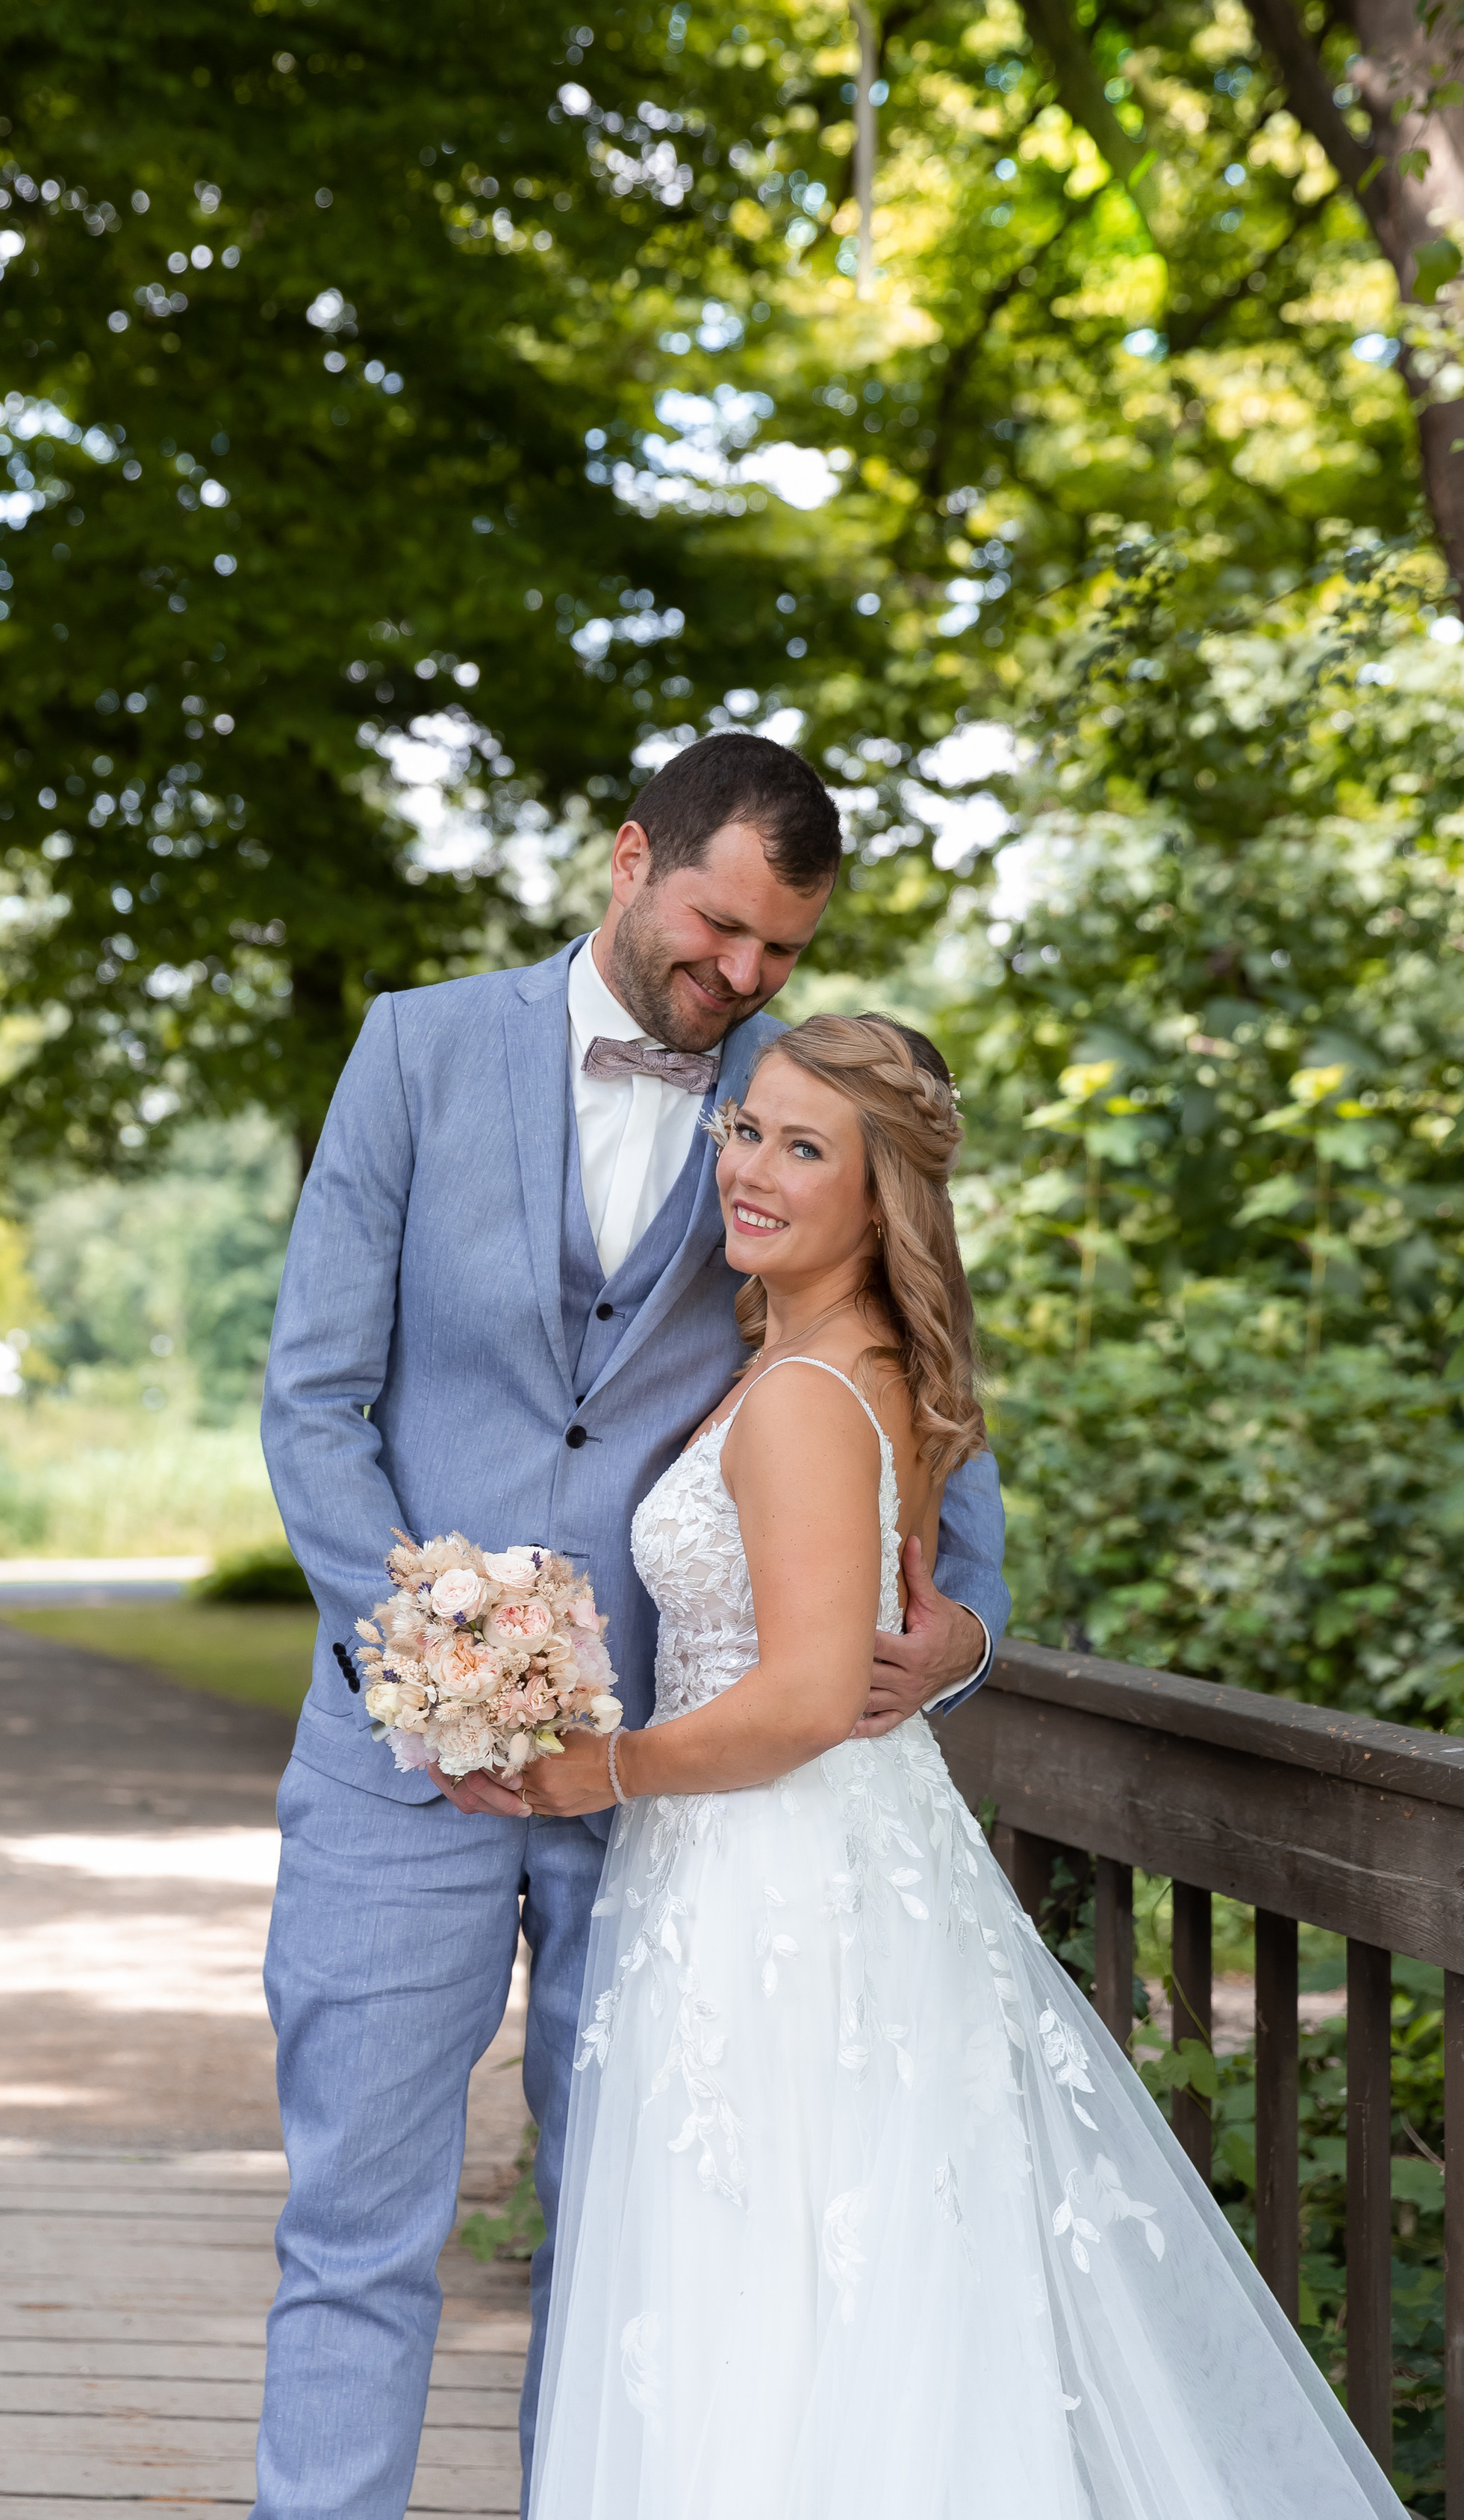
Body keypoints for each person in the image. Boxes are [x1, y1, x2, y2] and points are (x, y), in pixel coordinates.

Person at [253, 734, 1013, 2520]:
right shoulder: (414, 1052)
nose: (742, 979)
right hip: (394, 1775)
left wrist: (961, 1638)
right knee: (355, 2231)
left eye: (781, 952)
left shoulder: (799, 1108)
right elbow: (311, 1402)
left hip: (676, 1801)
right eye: (721, 927)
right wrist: (431, 1664)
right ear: (627, 857)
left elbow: (935, 1407)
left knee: (635, 2257)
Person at [517, 1015, 1398, 2520]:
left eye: (805, 1148)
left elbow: (799, 1695)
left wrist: (596, 1771)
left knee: (771, 2300)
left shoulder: (800, 1395)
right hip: (814, 1867)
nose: (752, 1168)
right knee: (843, 2297)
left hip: (770, 1882)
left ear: (880, 1200)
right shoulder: (832, 1361)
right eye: (746, 1130)